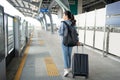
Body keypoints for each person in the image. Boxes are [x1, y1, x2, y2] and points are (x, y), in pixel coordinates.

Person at [58, 11, 80, 77]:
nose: (63, 16)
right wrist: (77, 41)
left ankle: (66, 70)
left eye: (63, 15)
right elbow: (76, 33)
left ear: (66, 16)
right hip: (71, 42)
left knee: (65, 55)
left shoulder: (63, 23)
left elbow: (60, 33)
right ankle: (69, 68)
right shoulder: (73, 23)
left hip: (64, 42)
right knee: (69, 55)